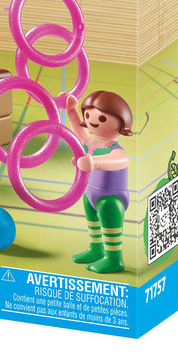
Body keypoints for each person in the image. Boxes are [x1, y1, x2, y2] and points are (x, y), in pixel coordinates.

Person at [63, 90, 134, 273]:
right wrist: (71, 110)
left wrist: (94, 162)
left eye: (102, 119)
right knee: (93, 223)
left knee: (110, 228)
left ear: (121, 121)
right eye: (87, 116)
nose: (92, 121)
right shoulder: (90, 143)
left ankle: (114, 259)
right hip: (89, 193)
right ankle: (96, 249)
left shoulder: (115, 149)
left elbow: (121, 160)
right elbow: (79, 132)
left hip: (110, 198)